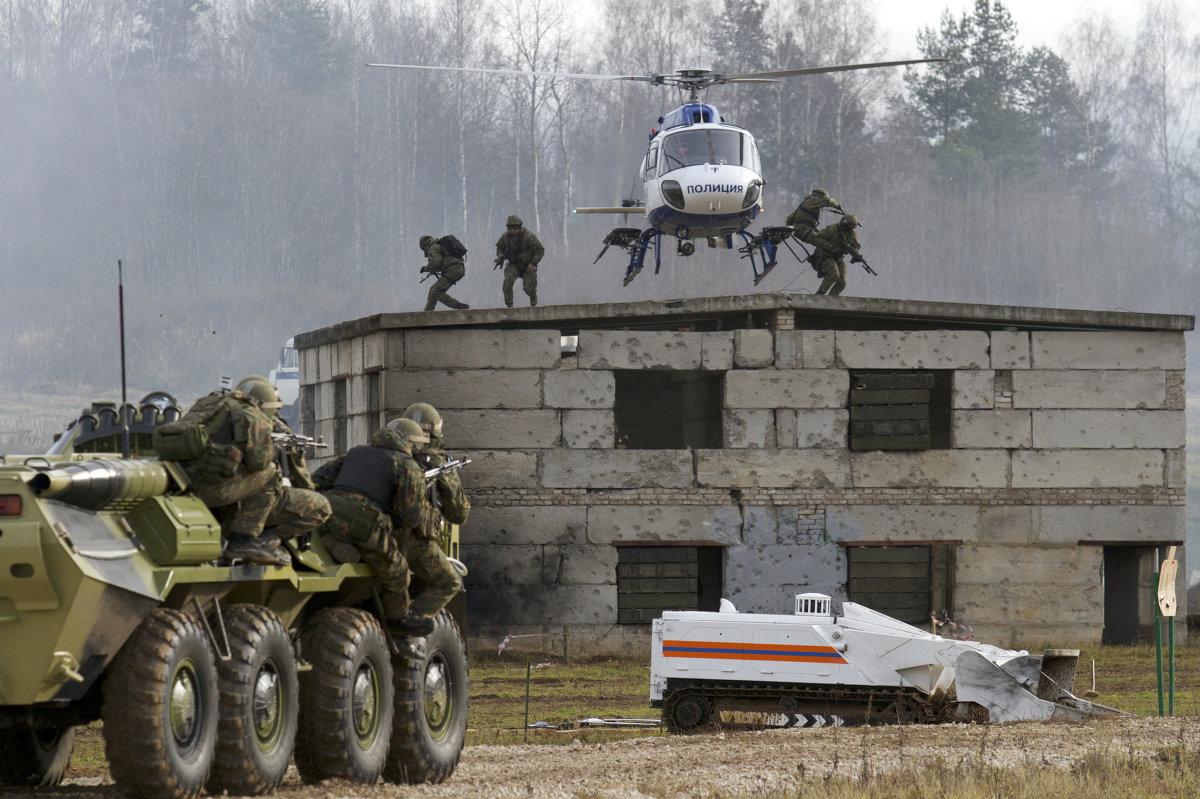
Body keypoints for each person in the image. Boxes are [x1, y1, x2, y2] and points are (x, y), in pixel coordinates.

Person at [312, 421, 433, 637]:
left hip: (328, 511)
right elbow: (410, 518)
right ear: (411, 444)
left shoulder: (355, 453)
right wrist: (418, 479)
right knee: (397, 570)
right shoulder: (406, 465)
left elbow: (316, 480)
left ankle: (335, 540)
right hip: (363, 521)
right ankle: (397, 621)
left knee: (349, 529)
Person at [166, 379, 291, 566]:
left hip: (180, 483)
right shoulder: (253, 417)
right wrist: (273, 450)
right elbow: (259, 463)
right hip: (211, 490)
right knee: (271, 472)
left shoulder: (212, 405)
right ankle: (242, 541)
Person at [234, 376, 331, 554]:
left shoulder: (223, 418)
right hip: (251, 508)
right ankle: (264, 540)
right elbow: (300, 476)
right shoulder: (272, 426)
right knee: (319, 506)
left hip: (222, 500)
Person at [395, 411, 465, 630]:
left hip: (365, 530)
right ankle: (410, 620)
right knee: (450, 580)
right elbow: (458, 513)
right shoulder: (434, 459)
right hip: (408, 540)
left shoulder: (375, 453)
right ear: (437, 429)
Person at [808, 213, 864, 297]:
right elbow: (816, 238)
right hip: (825, 257)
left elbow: (856, 245)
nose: (851, 229)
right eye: (850, 226)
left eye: (854, 227)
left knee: (842, 282)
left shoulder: (851, 234)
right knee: (834, 275)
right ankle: (818, 296)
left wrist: (855, 253)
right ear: (844, 223)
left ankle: (831, 299)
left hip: (838, 258)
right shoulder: (832, 229)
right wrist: (830, 247)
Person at [495, 214, 544, 307]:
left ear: (519, 227)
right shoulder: (505, 236)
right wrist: (500, 256)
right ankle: (509, 306)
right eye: (510, 228)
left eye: (515, 227)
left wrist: (534, 262)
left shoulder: (528, 236)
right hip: (514, 264)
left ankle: (533, 295)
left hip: (528, 265)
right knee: (507, 283)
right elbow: (500, 246)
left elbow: (540, 249)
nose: (513, 230)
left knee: (528, 288)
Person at [419, 235, 469, 311]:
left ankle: (457, 305)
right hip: (458, 269)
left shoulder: (433, 248)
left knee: (435, 292)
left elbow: (435, 263)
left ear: (424, 245)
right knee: (433, 290)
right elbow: (444, 261)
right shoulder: (440, 245)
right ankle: (427, 312)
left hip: (452, 270)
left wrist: (425, 269)